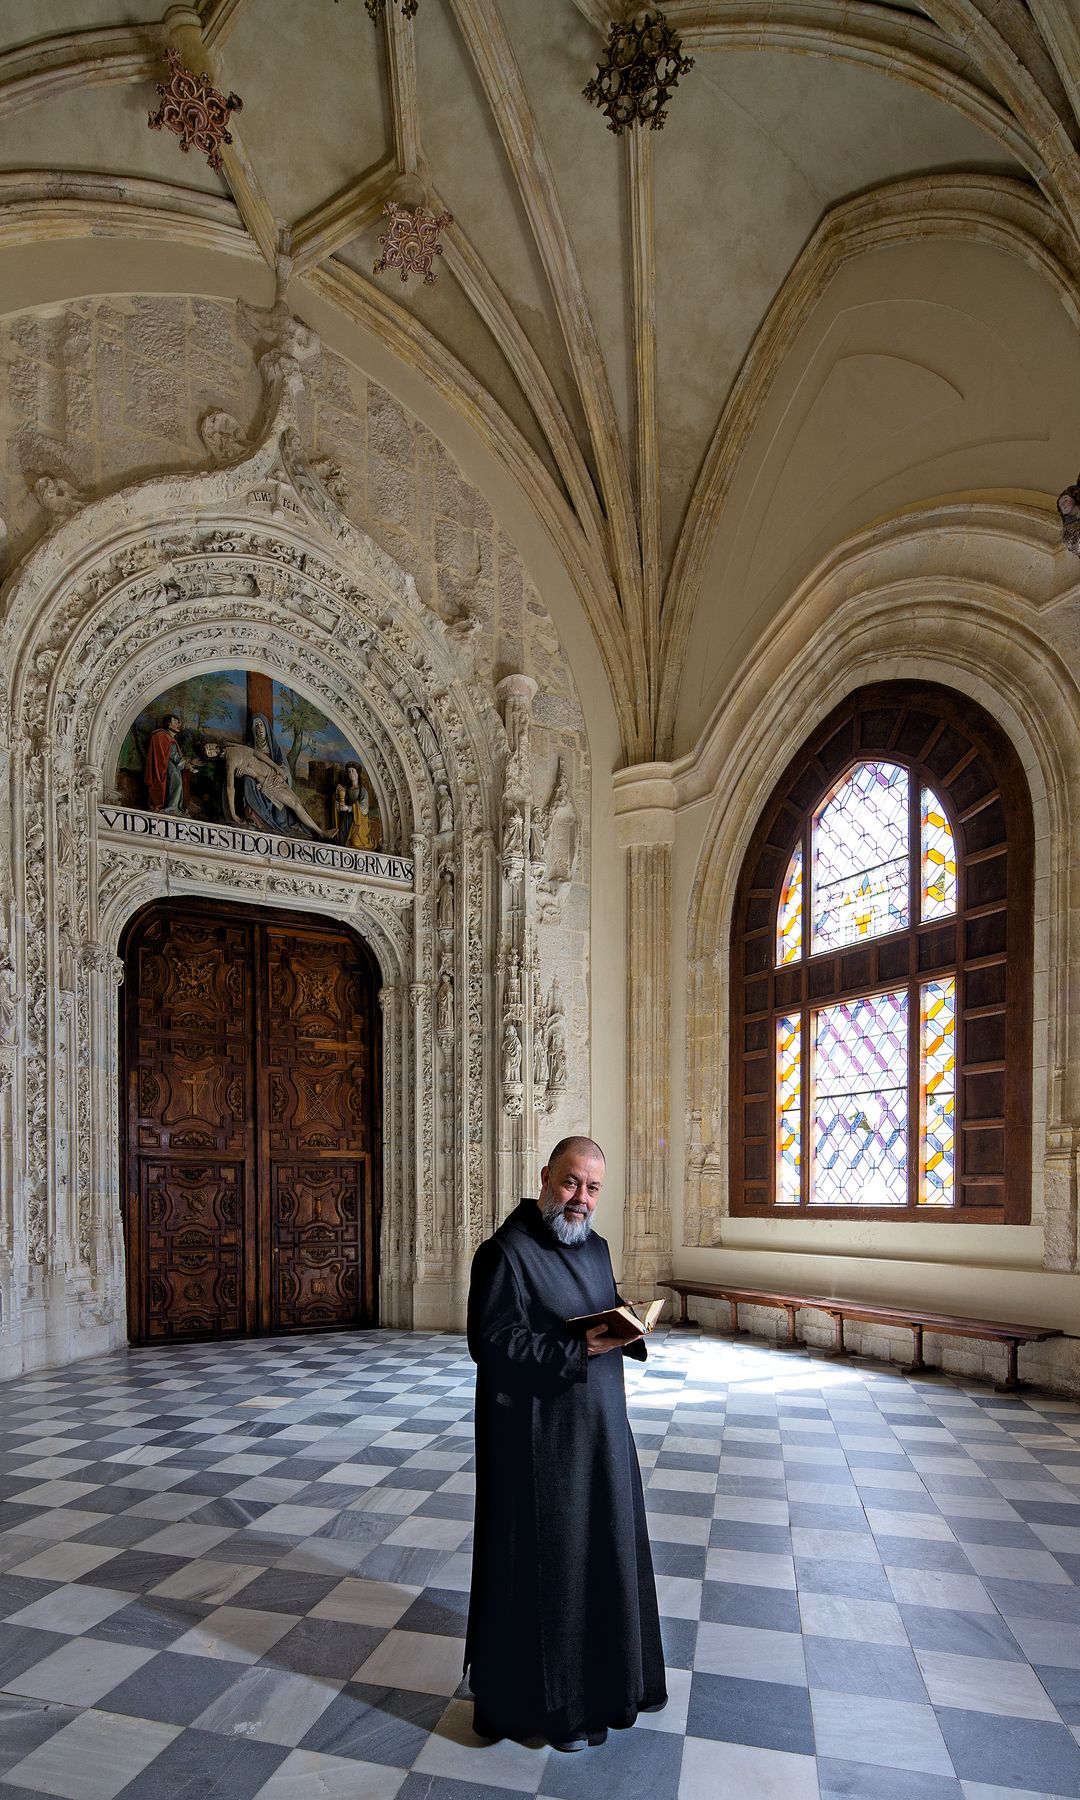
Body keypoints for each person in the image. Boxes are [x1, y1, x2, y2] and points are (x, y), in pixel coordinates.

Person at [465, 1137, 667, 1751]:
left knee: (603, 1553)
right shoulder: (504, 1253)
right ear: (545, 1176)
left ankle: (607, 1688)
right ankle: (553, 1709)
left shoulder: (597, 1248)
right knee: (555, 1569)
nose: (580, 1199)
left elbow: (595, 1315)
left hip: (602, 1429)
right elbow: (492, 1345)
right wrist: (578, 1349)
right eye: (570, 1183)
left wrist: (623, 1322)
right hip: (539, 1443)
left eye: (593, 1188)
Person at [143, 712, 189, 813]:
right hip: (165, 766)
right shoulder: (161, 735)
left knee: (177, 783)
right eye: (175, 722)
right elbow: (171, 754)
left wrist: (185, 763)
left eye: (178, 722)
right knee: (176, 783)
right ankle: (172, 807)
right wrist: (186, 764)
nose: (178, 725)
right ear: (168, 724)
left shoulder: (170, 738)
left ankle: (175, 807)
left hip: (172, 766)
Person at [335, 763, 380, 849]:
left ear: (358, 773)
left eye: (353, 771)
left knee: (355, 842)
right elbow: (340, 801)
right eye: (349, 772)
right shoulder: (346, 789)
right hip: (346, 818)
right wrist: (338, 796)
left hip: (358, 820)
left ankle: (370, 841)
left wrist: (348, 808)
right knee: (341, 840)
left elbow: (364, 808)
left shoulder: (362, 791)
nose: (351, 774)